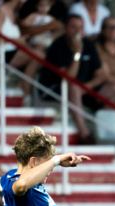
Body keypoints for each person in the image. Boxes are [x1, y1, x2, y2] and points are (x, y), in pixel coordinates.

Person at [39, 14, 106, 144]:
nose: (77, 32)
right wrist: (77, 53)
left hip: (82, 88)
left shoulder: (88, 44)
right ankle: (85, 134)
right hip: (54, 88)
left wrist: (86, 87)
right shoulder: (57, 46)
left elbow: (101, 74)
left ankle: (109, 135)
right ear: (65, 29)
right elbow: (69, 78)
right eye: (73, 27)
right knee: (74, 87)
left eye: (80, 28)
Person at [0, 0, 44, 99]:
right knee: (37, 55)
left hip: (11, 51)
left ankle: (23, 88)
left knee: (40, 54)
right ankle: (25, 92)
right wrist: (16, 41)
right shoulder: (1, 12)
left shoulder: (14, 12)